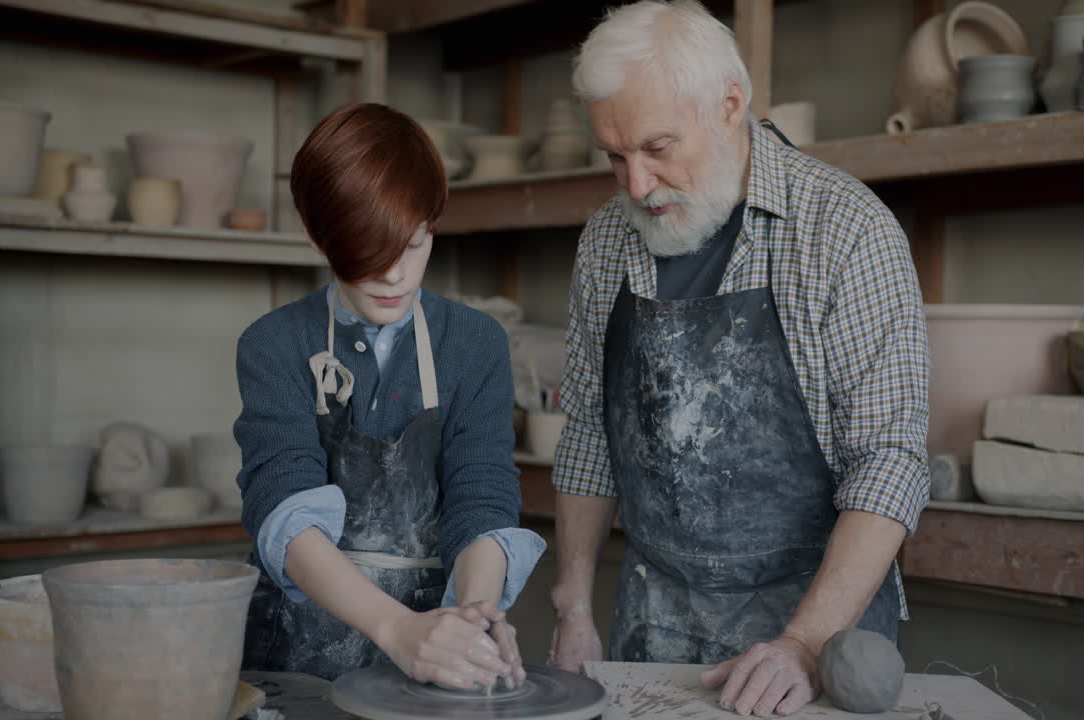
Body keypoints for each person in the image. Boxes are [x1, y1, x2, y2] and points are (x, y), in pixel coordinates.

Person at [546, 1, 930, 716]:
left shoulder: (845, 232)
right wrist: (572, 607)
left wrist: (808, 644)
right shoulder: (607, 242)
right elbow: (590, 434)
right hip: (655, 620)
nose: (636, 185)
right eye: (615, 155)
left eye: (658, 148)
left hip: (812, 627)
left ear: (730, 105)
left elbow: (890, 459)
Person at [234, 103, 544, 690]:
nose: (393, 276)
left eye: (413, 243)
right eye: (366, 253)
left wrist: (472, 619)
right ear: (314, 235)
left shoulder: (474, 344)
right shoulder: (274, 344)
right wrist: (396, 630)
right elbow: (284, 504)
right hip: (296, 653)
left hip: (429, 644)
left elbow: (482, 493)